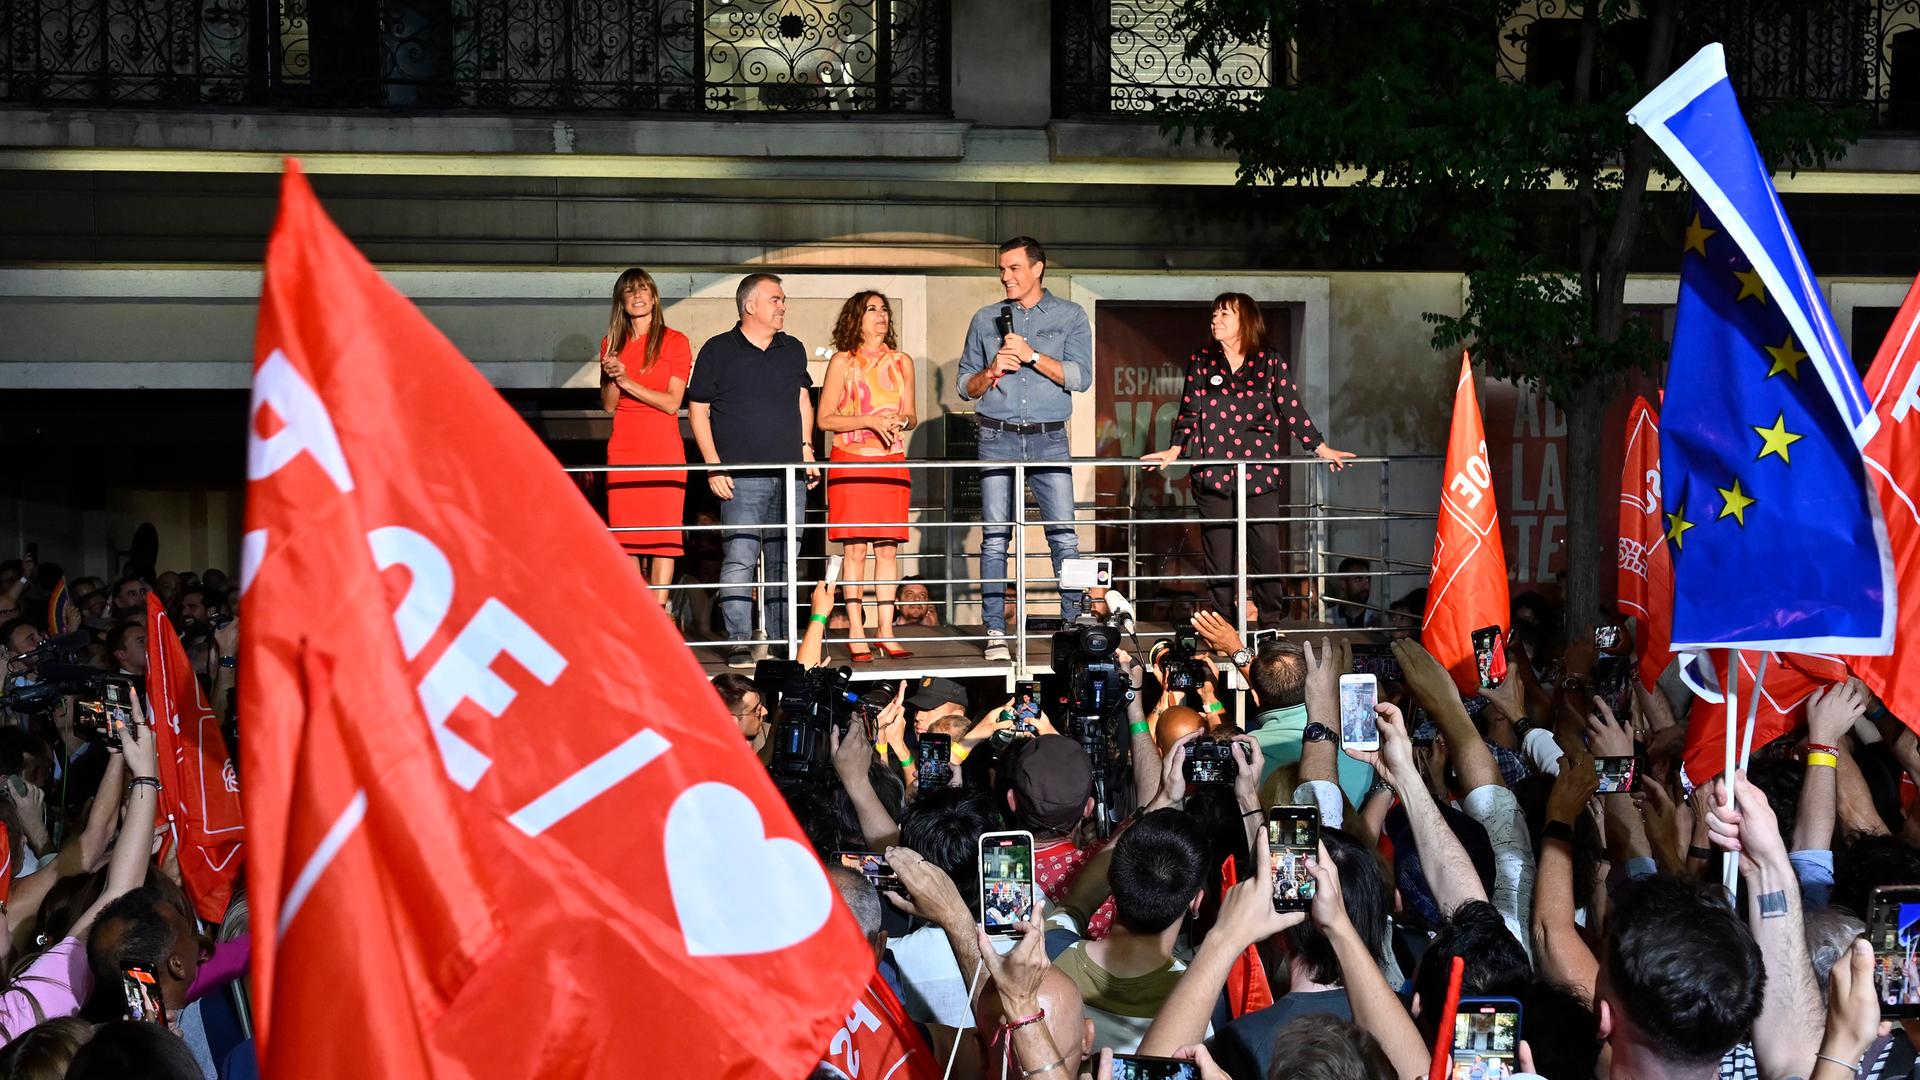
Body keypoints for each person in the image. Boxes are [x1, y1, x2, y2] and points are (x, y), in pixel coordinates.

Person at [1141, 293, 1354, 623]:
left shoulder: (1269, 361)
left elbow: (1291, 408)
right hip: (1213, 474)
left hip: (1258, 475)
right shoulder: (1202, 361)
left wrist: (1319, 447)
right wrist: (1176, 448)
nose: (1216, 320)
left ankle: (1270, 623)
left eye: (1225, 315)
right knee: (1219, 557)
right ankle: (1224, 625)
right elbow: (1189, 411)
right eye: (1214, 314)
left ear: (1246, 321)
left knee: (1265, 551)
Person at [959, 237, 1092, 662]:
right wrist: (991, 369)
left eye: (1014, 268)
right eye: (1002, 269)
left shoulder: (1070, 315)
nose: (1005, 276)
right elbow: (966, 386)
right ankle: (996, 630)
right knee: (995, 538)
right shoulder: (985, 318)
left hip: (1049, 436)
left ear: (1037, 268)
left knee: (1064, 537)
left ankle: (1073, 624)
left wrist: (1032, 355)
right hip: (996, 436)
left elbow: (1080, 376)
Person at [688, 273, 818, 669]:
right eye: (775, 299)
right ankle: (740, 642)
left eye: (783, 299)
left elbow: (802, 401)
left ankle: (782, 642)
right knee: (740, 557)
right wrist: (713, 465)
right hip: (741, 476)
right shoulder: (718, 349)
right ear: (750, 306)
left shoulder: (792, 348)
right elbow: (697, 409)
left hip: (789, 471)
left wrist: (807, 450)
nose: (783, 306)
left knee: (785, 559)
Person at [1052, 808, 1209, 1052]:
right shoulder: (1198, 1007)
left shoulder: (1048, 953)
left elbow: (1077, 901)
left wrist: (1157, 801)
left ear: (1111, 878)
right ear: (1196, 902)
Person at [816, 291, 916, 661]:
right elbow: (824, 419)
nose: (881, 314)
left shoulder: (901, 361)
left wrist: (900, 420)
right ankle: (856, 631)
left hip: (891, 460)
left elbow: (912, 414)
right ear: (855, 318)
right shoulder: (843, 361)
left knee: (887, 548)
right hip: (852, 459)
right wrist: (869, 420)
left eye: (884, 309)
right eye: (872, 309)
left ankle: (885, 629)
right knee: (855, 549)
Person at [599, 267, 693, 607]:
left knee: (663, 536)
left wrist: (626, 381)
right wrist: (611, 376)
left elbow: (672, 403)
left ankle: (658, 609)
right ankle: (633, 608)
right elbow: (609, 406)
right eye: (630, 291)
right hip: (624, 448)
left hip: (663, 447)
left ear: (654, 297)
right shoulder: (611, 343)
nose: (638, 296)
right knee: (626, 535)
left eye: (643, 290)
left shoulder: (675, 341)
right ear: (621, 301)